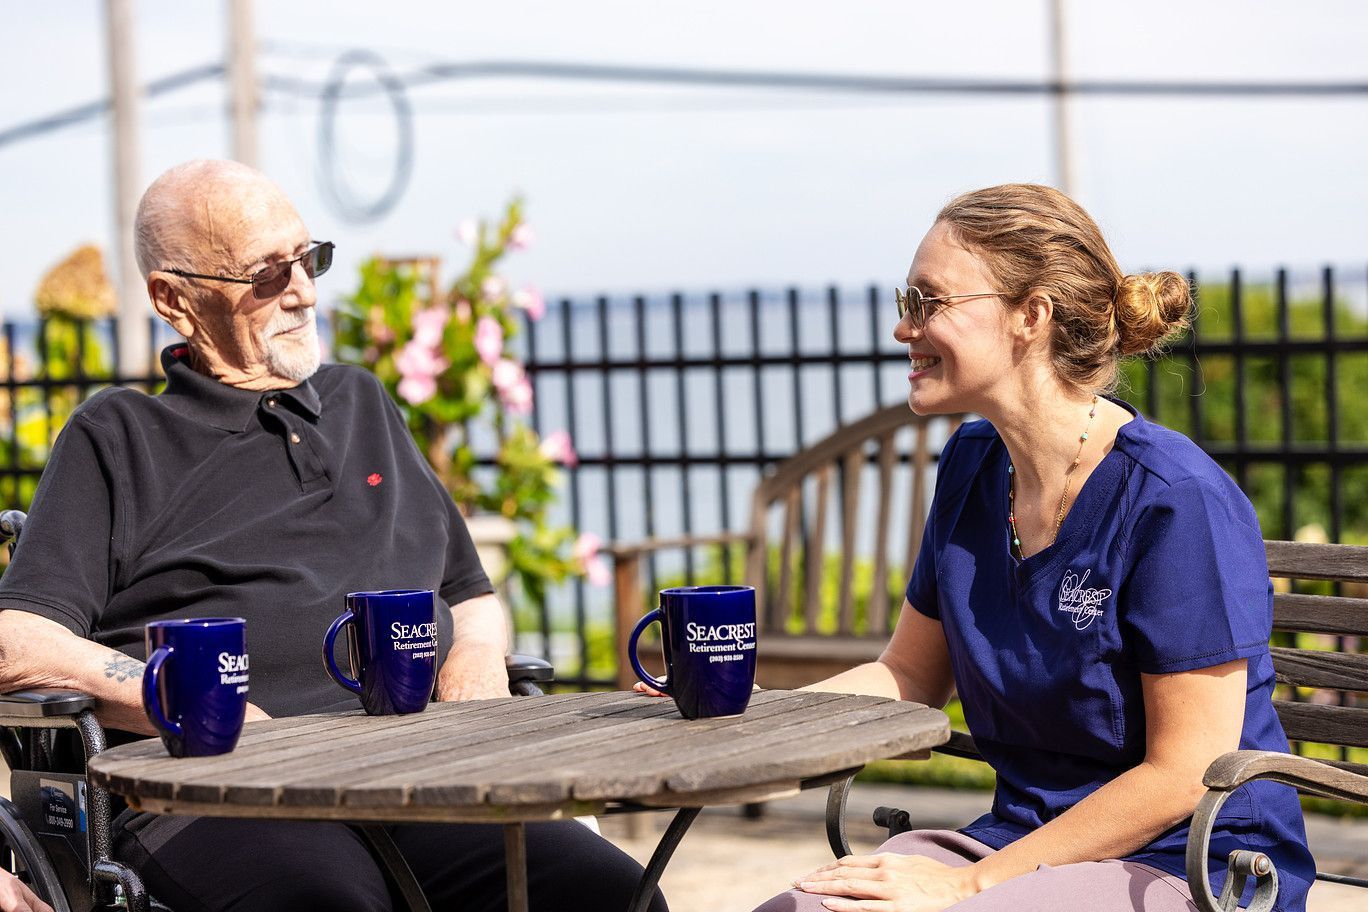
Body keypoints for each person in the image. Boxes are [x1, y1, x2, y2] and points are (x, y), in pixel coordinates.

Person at [0, 160, 666, 912]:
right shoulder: (118, 437)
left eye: (309, 258)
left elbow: (467, 590)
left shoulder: (362, 404)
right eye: (266, 274)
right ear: (173, 300)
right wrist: (183, 696)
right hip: (215, 787)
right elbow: (16, 640)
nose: (305, 291)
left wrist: (478, 656)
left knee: (610, 893)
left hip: (409, 770)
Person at [746, 184, 1313, 912]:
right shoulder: (972, 463)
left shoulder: (1176, 499)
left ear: (1031, 316)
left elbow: (1184, 772)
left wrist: (970, 884)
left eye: (928, 301)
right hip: (1021, 842)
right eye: (905, 301)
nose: (903, 328)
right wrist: (755, 713)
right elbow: (909, 675)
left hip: (1193, 860)